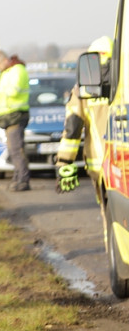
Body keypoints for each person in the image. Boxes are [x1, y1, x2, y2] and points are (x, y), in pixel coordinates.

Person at [56, 37, 112, 207]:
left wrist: (64, 163)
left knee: (111, 221)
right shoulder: (123, 83)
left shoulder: (82, 89)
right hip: (123, 162)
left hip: (101, 163)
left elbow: (73, 128)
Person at [0, 50, 31, 191]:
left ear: (4, 60)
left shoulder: (18, 70)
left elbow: (13, 91)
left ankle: (23, 180)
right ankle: (18, 177)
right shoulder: (6, 72)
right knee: (13, 150)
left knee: (16, 150)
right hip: (8, 117)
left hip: (16, 115)